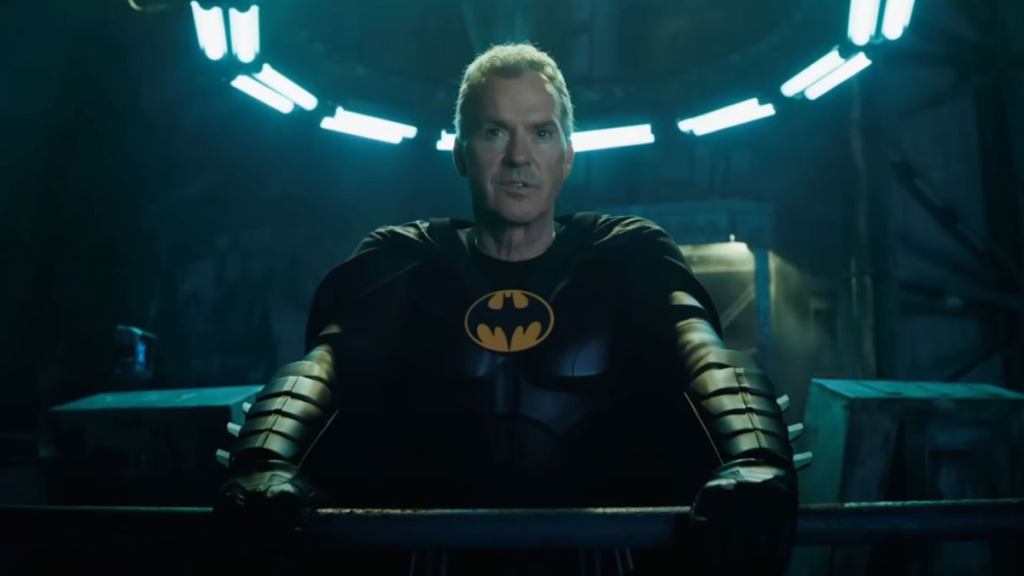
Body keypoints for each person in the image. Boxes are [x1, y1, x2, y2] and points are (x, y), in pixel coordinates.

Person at [217, 43, 797, 575]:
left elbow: (705, 355)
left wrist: (754, 457)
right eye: (495, 131)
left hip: (600, 558)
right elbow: (323, 368)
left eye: (541, 133)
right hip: (430, 560)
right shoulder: (401, 261)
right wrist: (264, 464)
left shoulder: (626, 254)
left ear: (567, 155)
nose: (519, 156)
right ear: (460, 153)